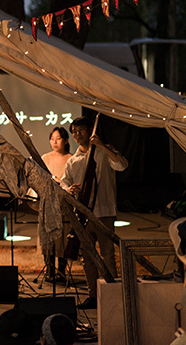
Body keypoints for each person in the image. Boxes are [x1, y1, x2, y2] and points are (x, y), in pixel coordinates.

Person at [60, 115, 128, 310]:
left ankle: (112, 295)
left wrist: (103, 146)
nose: (76, 134)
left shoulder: (103, 152)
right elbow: (65, 182)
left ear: (90, 131)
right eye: (73, 131)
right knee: (87, 256)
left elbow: (122, 165)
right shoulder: (73, 160)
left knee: (107, 254)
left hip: (104, 211)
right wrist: (69, 189)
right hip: (83, 213)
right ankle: (93, 295)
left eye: (80, 129)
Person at [40, 127, 73, 283]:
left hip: (64, 203)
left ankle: (61, 270)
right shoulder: (45, 158)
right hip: (49, 203)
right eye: (52, 138)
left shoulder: (71, 159)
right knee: (49, 236)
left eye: (58, 138)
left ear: (66, 140)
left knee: (63, 236)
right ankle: (49, 269)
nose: (54, 141)